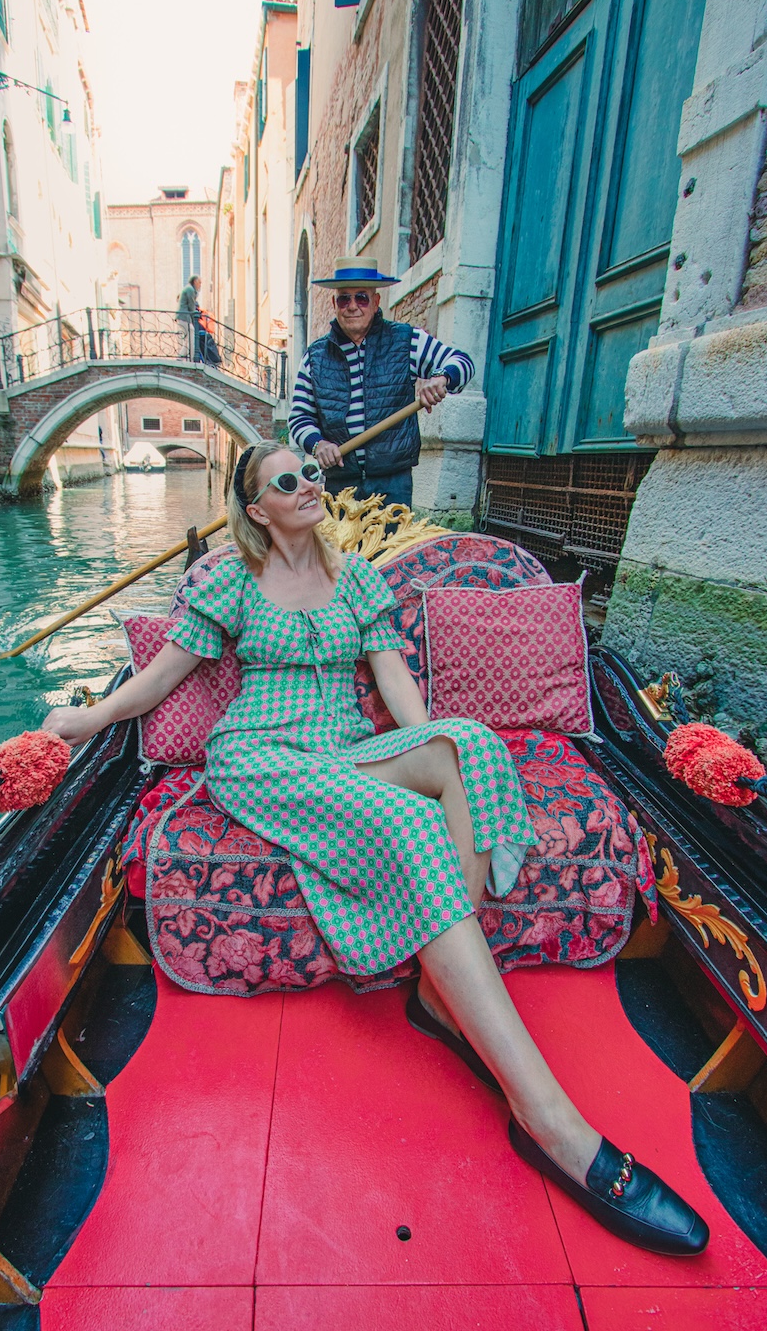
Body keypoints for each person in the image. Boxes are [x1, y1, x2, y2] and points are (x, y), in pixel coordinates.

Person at [43, 440, 709, 1259]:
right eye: (287, 480)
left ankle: (440, 992)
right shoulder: (230, 579)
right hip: (262, 754)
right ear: (256, 507)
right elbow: (162, 678)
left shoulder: (357, 576)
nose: (308, 485)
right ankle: (553, 1123)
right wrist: (90, 717)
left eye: (312, 472)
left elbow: (395, 684)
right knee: (409, 826)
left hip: (347, 741)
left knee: (468, 746)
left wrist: (429, 734)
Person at [288, 255, 473, 509]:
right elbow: (299, 418)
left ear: (375, 302)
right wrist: (318, 444)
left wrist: (442, 378)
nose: (352, 306)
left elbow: (462, 361)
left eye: (361, 297)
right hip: (341, 485)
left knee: (391, 550)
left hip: (393, 484)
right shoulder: (315, 357)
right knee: (340, 550)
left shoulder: (406, 341)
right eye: (344, 299)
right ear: (335, 303)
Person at [176, 274, 202, 362]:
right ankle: (192, 359)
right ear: (195, 282)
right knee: (191, 337)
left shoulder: (188, 289)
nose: (200, 285)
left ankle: (181, 357)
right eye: (199, 282)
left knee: (189, 338)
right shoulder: (190, 289)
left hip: (182, 317)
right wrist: (196, 317)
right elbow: (191, 306)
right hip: (184, 317)